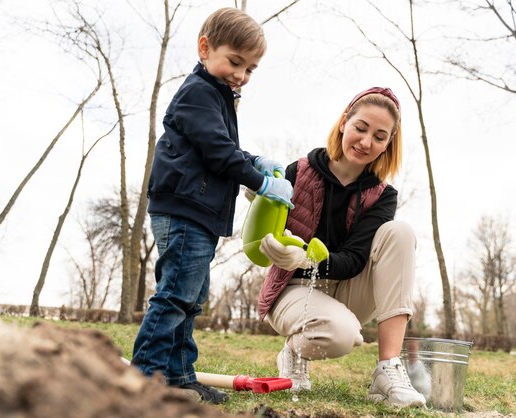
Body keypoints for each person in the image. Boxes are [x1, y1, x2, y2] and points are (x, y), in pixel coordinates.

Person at [131, 7, 293, 404]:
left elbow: (225, 148)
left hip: (198, 213)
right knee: (175, 296)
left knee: (190, 298)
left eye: (251, 69)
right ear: (205, 48)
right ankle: (141, 380)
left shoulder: (217, 95)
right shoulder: (199, 92)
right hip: (184, 210)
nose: (241, 75)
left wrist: (254, 161)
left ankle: (179, 377)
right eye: (235, 62)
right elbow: (218, 152)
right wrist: (261, 183)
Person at [257, 87, 427, 407]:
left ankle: (387, 369)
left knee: (400, 233)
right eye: (360, 128)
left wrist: (307, 257)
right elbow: (262, 239)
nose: (366, 142)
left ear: (388, 144)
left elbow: (353, 260)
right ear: (343, 123)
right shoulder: (298, 172)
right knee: (341, 337)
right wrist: (261, 211)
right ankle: (294, 351)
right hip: (292, 289)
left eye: (379, 136)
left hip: (346, 286)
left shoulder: (382, 195)